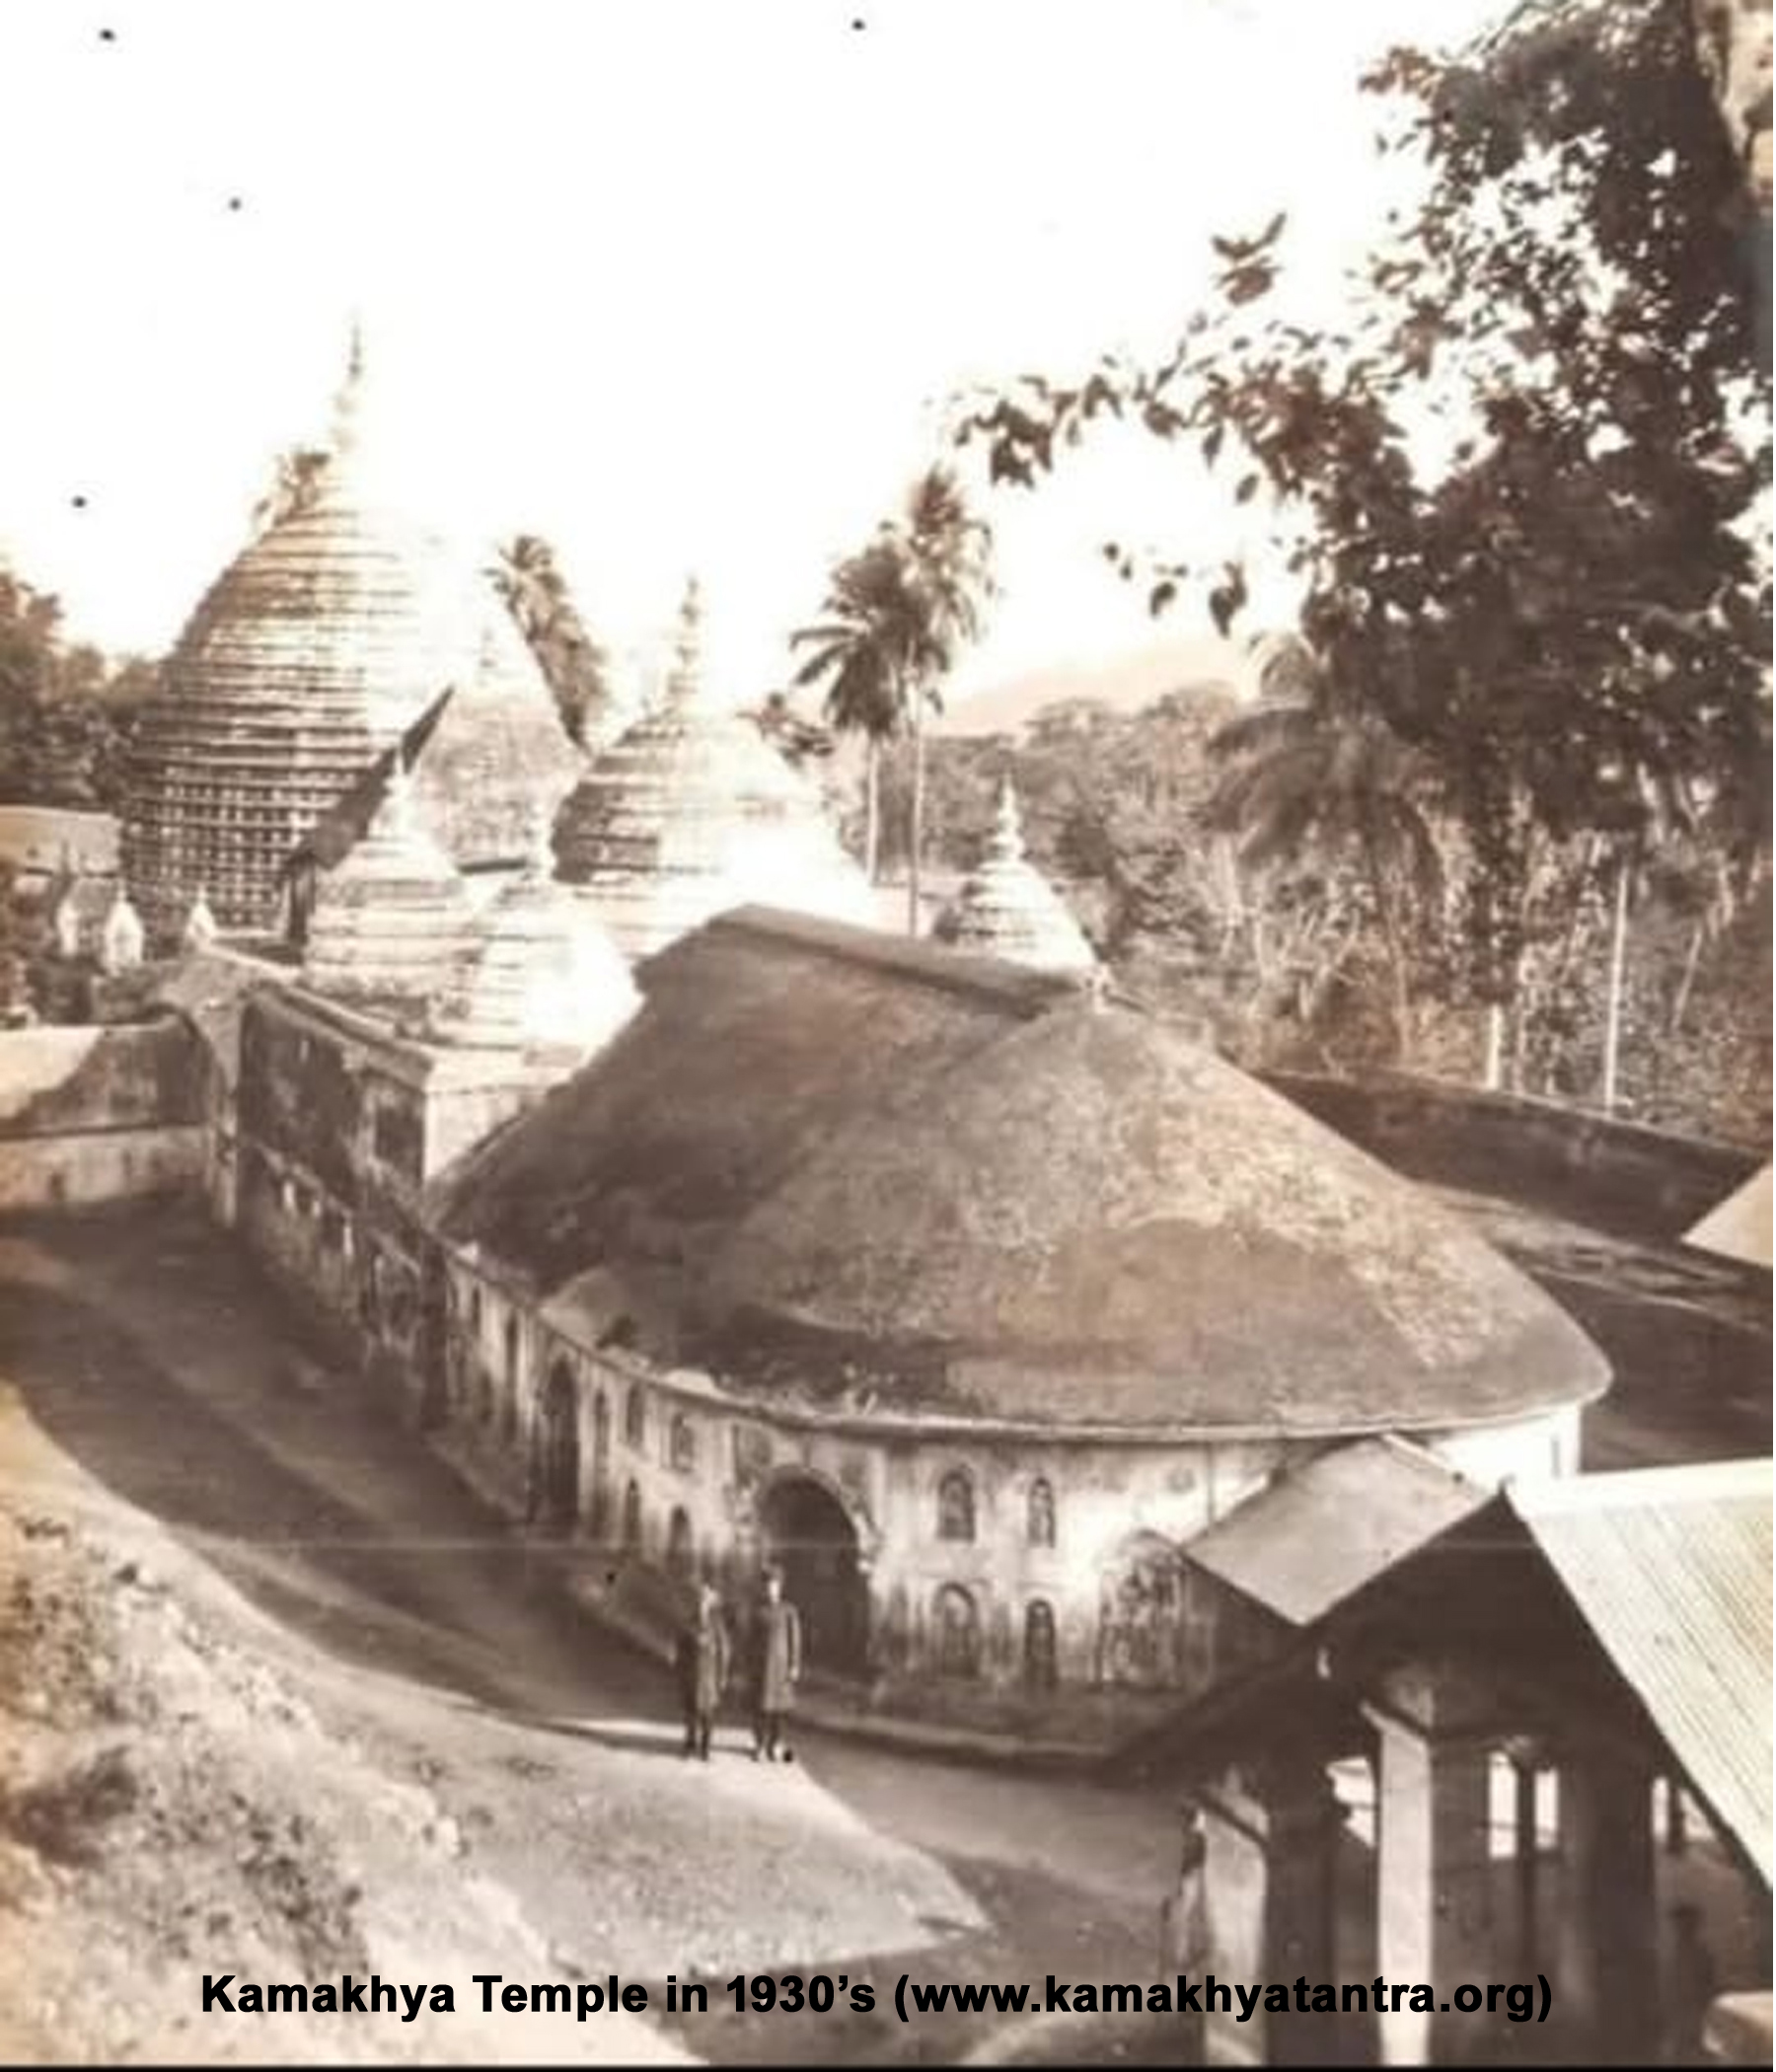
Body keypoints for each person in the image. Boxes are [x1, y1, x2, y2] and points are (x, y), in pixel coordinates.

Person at [748, 1567, 803, 1762]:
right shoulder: (758, 1611)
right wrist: (749, 1665)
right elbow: (750, 1641)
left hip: (781, 1670)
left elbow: (795, 1639)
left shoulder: (789, 1611)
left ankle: (775, 1744)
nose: (770, 1590)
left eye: (773, 1586)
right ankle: (760, 1745)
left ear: (779, 1587)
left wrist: (794, 1664)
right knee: (760, 1709)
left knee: (779, 1711)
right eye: (767, 1586)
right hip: (762, 1669)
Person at [676, 1580, 729, 1762]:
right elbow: (680, 1650)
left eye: (705, 1600)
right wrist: (680, 1673)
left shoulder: (717, 1625)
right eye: (699, 1600)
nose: (701, 1604)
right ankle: (690, 1745)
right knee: (690, 1712)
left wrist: (722, 1677)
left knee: (708, 1714)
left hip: (709, 1677)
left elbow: (724, 1652)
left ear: (710, 1603)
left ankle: (706, 1748)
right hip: (691, 1675)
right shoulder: (688, 1623)